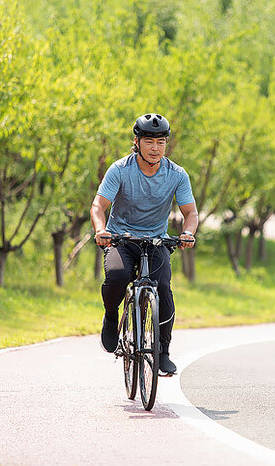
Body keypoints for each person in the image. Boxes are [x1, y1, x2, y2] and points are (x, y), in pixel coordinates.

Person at [90, 113, 199, 375]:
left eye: (161, 142)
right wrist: (101, 230)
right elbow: (98, 206)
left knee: (163, 288)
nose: (155, 148)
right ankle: (111, 314)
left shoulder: (177, 175)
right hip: (121, 239)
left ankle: (162, 351)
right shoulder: (120, 169)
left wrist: (187, 233)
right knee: (118, 275)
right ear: (137, 142)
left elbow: (191, 214)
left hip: (156, 241)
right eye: (149, 141)